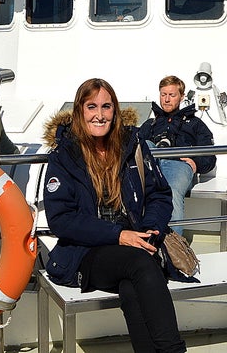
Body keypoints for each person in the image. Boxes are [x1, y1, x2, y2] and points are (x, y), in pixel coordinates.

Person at [43, 78, 186, 353]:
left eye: (106, 106)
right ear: (79, 111)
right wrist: (119, 235)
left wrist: (151, 229)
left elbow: (159, 194)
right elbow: (61, 219)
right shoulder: (64, 156)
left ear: (115, 110)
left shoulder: (132, 145)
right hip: (87, 252)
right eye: (92, 107)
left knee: (132, 289)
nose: (100, 115)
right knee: (140, 264)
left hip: (135, 241)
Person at [138, 76, 215, 236]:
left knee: (171, 192)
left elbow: (209, 157)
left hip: (179, 165)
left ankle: (173, 250)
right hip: (152, 164)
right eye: (163, 94)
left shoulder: (195, 124)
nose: (166, 100)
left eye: (171, 95)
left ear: (181, 96)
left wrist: (196, 162)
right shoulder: (149, 124)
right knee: (145, 145)